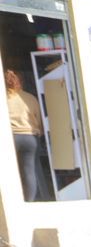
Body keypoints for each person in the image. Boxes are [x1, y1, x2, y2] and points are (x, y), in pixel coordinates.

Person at [6, 68, 44, 202]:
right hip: (30, 137)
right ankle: (28, 202)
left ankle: (9, 201)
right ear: (21, 82)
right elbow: (39, 120)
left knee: (7, 170)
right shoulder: (30, 98)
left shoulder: (5, 98)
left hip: (11, 137)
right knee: (29, 171)